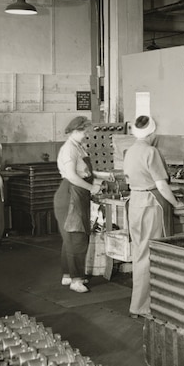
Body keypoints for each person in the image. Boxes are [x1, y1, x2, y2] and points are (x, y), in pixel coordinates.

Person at [123, 115, 181, 318]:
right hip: (150, 203)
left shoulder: (130, 151)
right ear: (152, 133)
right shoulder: (151, 151)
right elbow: (162, 186)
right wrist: (176, 203)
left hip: (135, 203)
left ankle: (142, 303)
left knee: (139, 254)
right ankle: (141, 306)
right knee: (150, 256)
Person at [53, 116, 109, 293]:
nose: (86, 135)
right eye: (83, 131)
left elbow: (84, 171)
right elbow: (71, 175)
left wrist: (100, 178)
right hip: (71, 193)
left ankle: (68, 274)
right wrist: (91, 187)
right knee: (77, 236)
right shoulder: (69, 148)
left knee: (70, 237)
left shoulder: (78, 147)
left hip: (77, 192)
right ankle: (76, 280)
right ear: (74, 131)